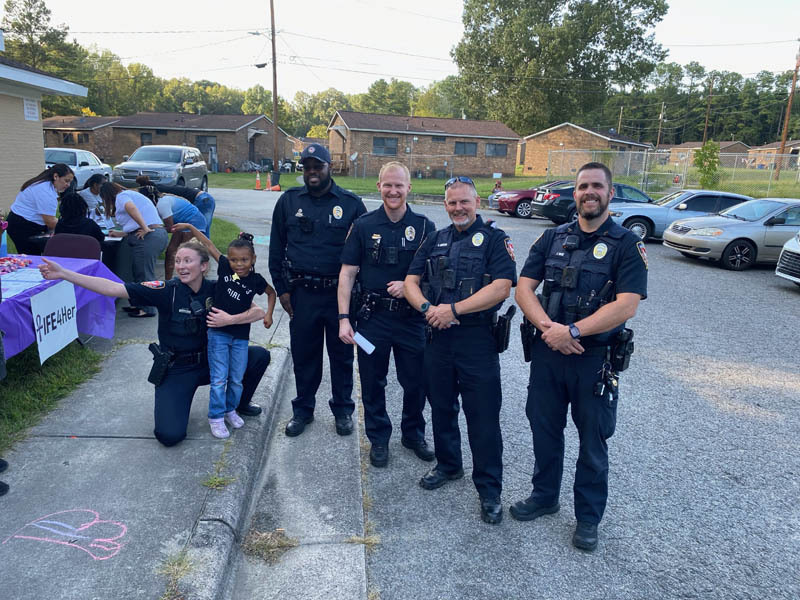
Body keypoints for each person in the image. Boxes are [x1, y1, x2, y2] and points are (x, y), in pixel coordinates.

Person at [512, 162, 647, 552]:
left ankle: (588, 518)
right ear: (574, 193)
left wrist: (572, 331)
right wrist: (548, 329)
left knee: (592, 440)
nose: (590, 192)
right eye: (583, 186)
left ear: (610, 193)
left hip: (594, 359)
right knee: (544, 429)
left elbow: (627, 305)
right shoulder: (552, 238)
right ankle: (544, 496)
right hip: (549, 354)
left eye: (597, 186)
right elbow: (523, 289)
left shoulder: (625, 245)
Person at [38, 241, 271, 446]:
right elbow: (114, 288)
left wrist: (231, 319)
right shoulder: (165, 290)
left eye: (188, 261)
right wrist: (66, 274)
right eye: (178, 260)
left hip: (212, 361)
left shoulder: (218, 287)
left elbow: (257, 310)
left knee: (259, 356)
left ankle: (236, 404)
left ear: (203, 266)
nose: (180, 266)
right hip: (178, 369)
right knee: (169, 435)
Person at [404, 176, 516, 525]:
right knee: (441, 407)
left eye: (464, 202)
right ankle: (449, 464)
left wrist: (453, 310)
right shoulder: (435, 240)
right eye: (452, 203)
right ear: (445, 205)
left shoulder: (496, 240)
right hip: (437, 338)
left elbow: (501, 287)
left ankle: (489, 489)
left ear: (477, 202)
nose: (457, 208)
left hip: (476, 340)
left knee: (482, 417)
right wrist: (428, 309)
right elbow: (411, 282)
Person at [337, 162, 436, 468]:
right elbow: (347, 273)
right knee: (372, 381)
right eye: (388, 185)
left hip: (411, 319)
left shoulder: (424, 227)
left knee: (416, 381)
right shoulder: (364, 225)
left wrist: (410, 286)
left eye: (399, 185)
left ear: (409, 188)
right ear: (378, 186)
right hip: (372, 317)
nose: (394, 191)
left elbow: (436, 276)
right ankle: (378, 438)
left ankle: (413, 433)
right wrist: (343, 318)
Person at [268, 143, 367, 438]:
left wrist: (355, 299)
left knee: (342, 356)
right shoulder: (288, 202)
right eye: (307, 167)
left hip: (339, 296)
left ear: (329, 168)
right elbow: (276, 249)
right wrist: (283, 290)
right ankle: (303, 410)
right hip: (302, 295)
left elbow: (363, 256)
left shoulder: (351, 204)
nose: (312, 172)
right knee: (304, 355)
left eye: (317, 166)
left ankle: (343, 411)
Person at [173, 222, 276, 438]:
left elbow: (271, 293)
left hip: (240, 336)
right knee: (219, 377)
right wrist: (191, 227)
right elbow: (208, 244)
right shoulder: (227, 269)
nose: (238, 264)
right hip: (218, 334)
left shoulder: (255, 281)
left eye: (244, 260)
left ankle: (230, 409)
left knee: (236, 378)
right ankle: (216, 416)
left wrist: (268, 314)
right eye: (234, 259)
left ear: (253, 260)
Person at [100, 182, 168, 317]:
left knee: (144, 274)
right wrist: (121, 233)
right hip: (154, 235)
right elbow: (133, 224)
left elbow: (131, 208)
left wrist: (145, 227)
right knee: (138, 273)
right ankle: (138, 305)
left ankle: (148, 309)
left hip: (149, 237)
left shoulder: (121, 197)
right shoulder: (130, 194)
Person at [137, 179, 207, 280]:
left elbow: (170, 228)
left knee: (185, 253)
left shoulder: (162, 205)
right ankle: (168, 281)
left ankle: (190, 280)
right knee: (170, 252)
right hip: (180, 223)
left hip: (194, 222)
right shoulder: (157, 203)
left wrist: (148, 228)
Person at [7, 164, 74, 254]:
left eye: (70, 182)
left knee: (35, 256)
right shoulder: (45, 191)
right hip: (22, 225)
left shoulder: (43, 184)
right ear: (56, 176)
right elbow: (50, 222)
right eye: (66, 181)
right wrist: (72, 226)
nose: (68, 185)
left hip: (21, 221)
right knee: (31, 258)